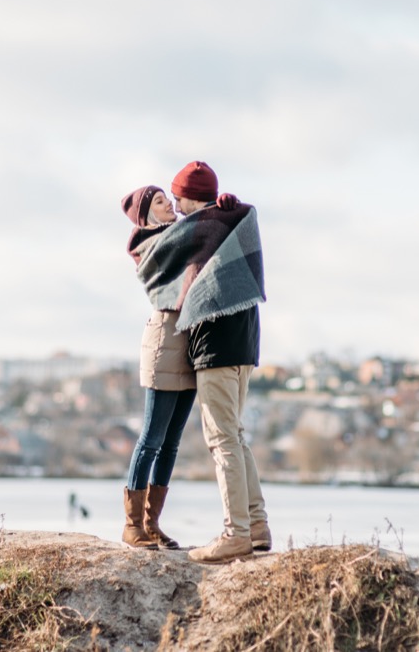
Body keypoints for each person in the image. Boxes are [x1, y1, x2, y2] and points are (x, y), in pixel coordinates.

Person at [136, 160, 271, 563]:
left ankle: (235, 534)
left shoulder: (204, 229)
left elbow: (153, 257)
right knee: (236, 435)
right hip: (245, 344)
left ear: (193, 197)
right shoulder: (227, 221)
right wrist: (226, 205)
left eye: (178, 198)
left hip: (218, 346)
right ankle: (257, 527)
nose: (175, 207)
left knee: (222, 439)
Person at [119, 185, 198, 549]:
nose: (170, 205)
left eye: (169, 199)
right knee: (151, 439)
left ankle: (152, 524)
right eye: (161, 202)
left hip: (188, 347)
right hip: (164, 344)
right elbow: (173, 285)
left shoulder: (183, 235)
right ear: (147, 214)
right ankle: (132, 524)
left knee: (171, 444)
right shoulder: (148, 247)